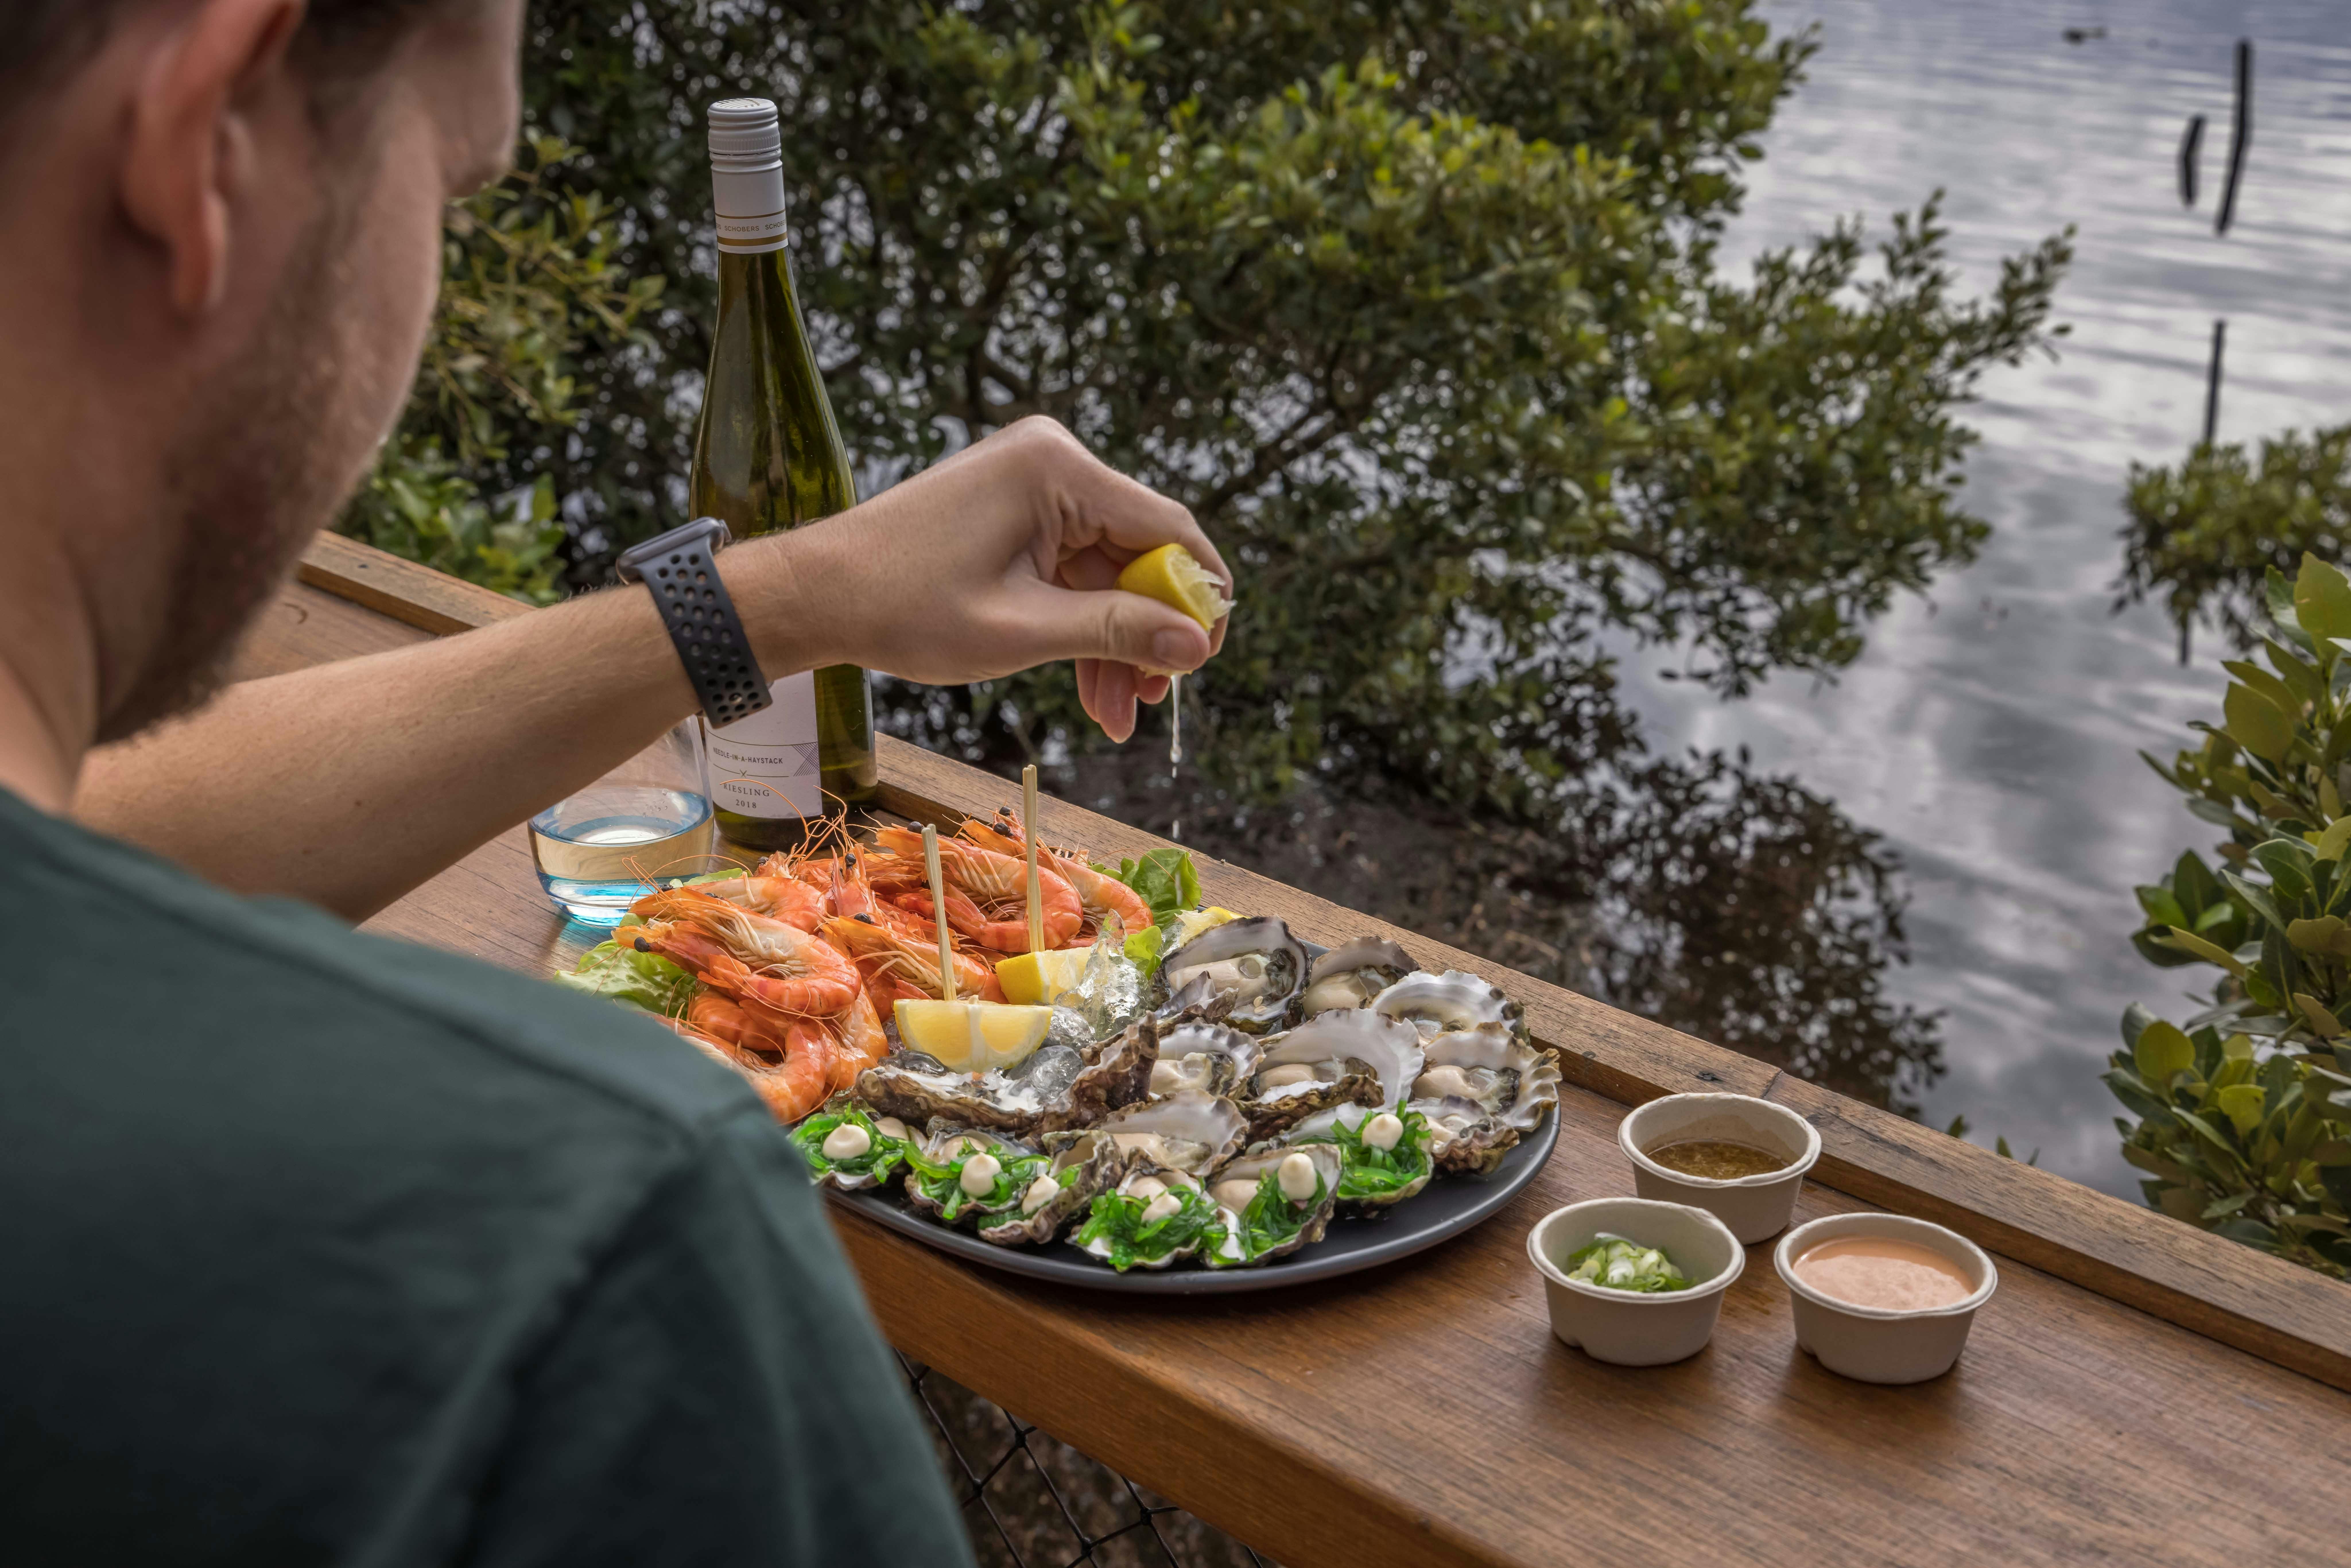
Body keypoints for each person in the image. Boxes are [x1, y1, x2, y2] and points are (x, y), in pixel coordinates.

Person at [0, 1, 1227, 1563]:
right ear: (208, 143)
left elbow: (88, 834)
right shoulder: (602, 1232)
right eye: (455, 184)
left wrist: (796, 594)